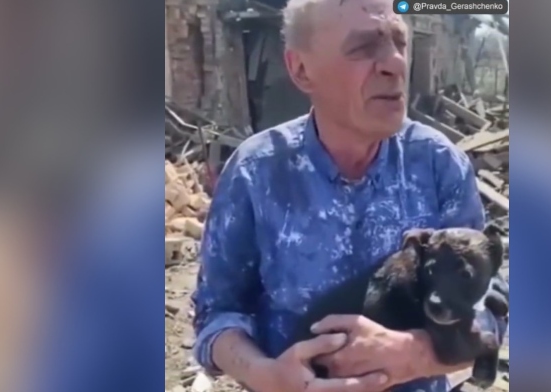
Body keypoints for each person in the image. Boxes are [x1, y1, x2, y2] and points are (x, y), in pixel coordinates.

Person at [191, 0, 508, 391]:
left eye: (399, 42)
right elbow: (217, 311)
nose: (394, 63)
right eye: (363, 47)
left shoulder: (439, 164)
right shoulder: (257, 172)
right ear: (301, 69)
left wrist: (414, 354)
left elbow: (489, 302)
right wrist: (268, 376)